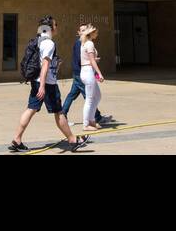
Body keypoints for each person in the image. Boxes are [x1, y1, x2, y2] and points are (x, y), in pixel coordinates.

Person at [9, 16, 89, 152]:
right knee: (59, 112)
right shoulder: (49, 43)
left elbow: (45, 63)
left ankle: (17, 140)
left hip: (37, 81)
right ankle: (73, 140)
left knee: (30, 109)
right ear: (50, 28)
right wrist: (42, 86)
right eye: (55, 25)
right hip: (47, 84)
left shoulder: (39, 40)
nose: (57, 27)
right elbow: (45, 65)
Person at [63, 25, 114, 126]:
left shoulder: (85, 43)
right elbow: (81, 59)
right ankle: (94, 119)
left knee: (73, 95)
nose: (84, 32)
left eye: (85, 30)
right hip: (82, 72)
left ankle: (63, 114)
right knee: (90, 97)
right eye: (82, 30)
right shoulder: (80, 43)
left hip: (81, 72)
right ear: (78, 32)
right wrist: (96, 69)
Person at [78, 23, 105, 130]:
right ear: (91, 33)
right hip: (88, 71)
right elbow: (92, 60)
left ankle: (91, 120)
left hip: (87, 71)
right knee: (89, 99)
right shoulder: (89, 44)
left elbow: (89, 59)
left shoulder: (86, 43)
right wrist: (99, 73)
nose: (97, 34)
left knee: (97, 96)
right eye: (96, 32)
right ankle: (86, 124)